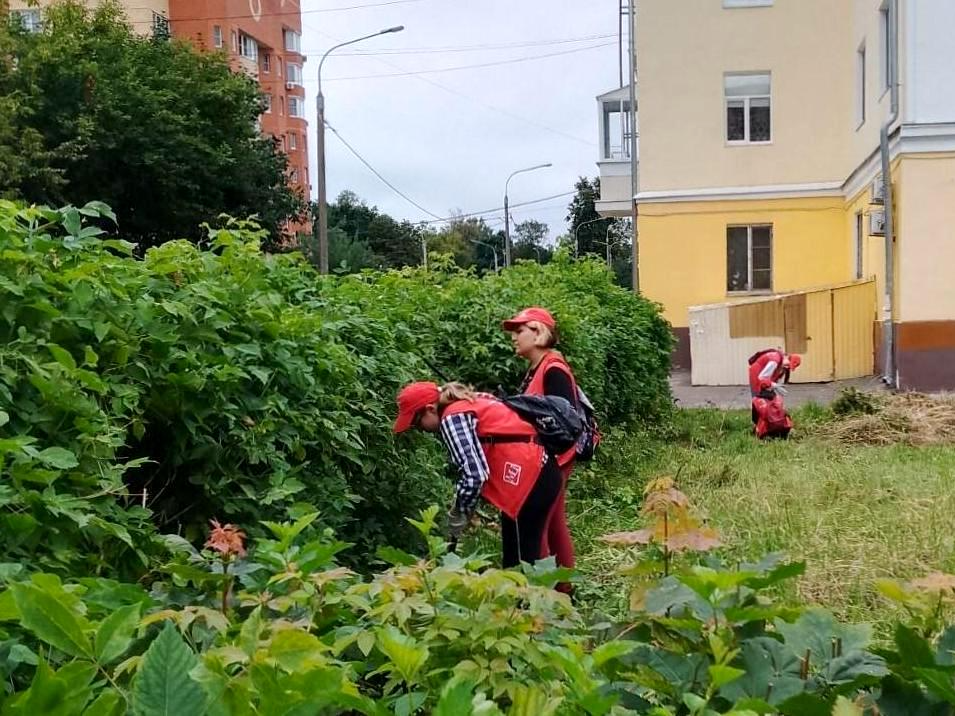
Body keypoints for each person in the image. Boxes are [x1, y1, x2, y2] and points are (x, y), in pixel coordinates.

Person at [393, 380, 561, 568]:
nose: (421, 429)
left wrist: (459, 511)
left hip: (531, 479)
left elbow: (475, 475)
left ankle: (535, 596)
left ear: (430, 409)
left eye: (417, 423)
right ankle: (531, 595)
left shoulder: (451, 417)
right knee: (519, 555)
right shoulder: (471, 400)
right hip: (540, 471)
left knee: (523, 561)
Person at [502, 307, 578, 591]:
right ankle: (563, 591)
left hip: (553, 457)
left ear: (538, 332)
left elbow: (565, 419)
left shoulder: (553, 369)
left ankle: (548, 595)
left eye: (520, 330)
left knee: (542, 525)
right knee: (554, 523)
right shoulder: (537, 368)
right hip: (546, 457)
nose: (514, 337)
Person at [747, 349, 801, 423]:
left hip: (762, 376)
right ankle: (757, 424)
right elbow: (762, 377)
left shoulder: (780, 363)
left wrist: (773, 386)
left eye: (789, 367)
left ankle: (769, 421)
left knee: (770, 398)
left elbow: (771, 377)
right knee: (757, 398)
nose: (787, 367)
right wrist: (774, 385)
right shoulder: (774, 360)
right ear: (788, 358)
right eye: (788, 365)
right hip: (756, 373)